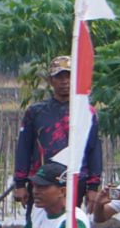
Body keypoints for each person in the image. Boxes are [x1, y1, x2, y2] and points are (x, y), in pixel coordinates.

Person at [14, 55, 104, 209]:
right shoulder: (35, 112)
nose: (65, 81)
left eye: (69, 76)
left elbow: (93, 149)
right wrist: (20, 183)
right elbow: (24, 148)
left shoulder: (86, 113)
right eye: (59, 77)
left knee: (69, 227)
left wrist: (93, 187)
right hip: (42, 182)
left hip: (76, 181)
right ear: (50, 80)